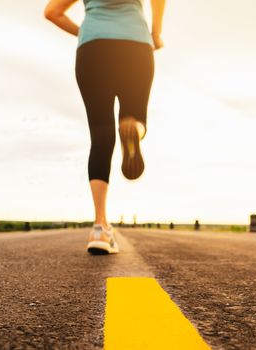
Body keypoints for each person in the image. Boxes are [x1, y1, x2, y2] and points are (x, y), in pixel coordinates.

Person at [44, 0, 165, 254]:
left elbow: (52, 13)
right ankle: (133, 129)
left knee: (100, 136)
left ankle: (99, 227)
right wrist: (155, 33)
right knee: (135, 115)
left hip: (93, 48)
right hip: (135, 43)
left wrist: (88, 32)